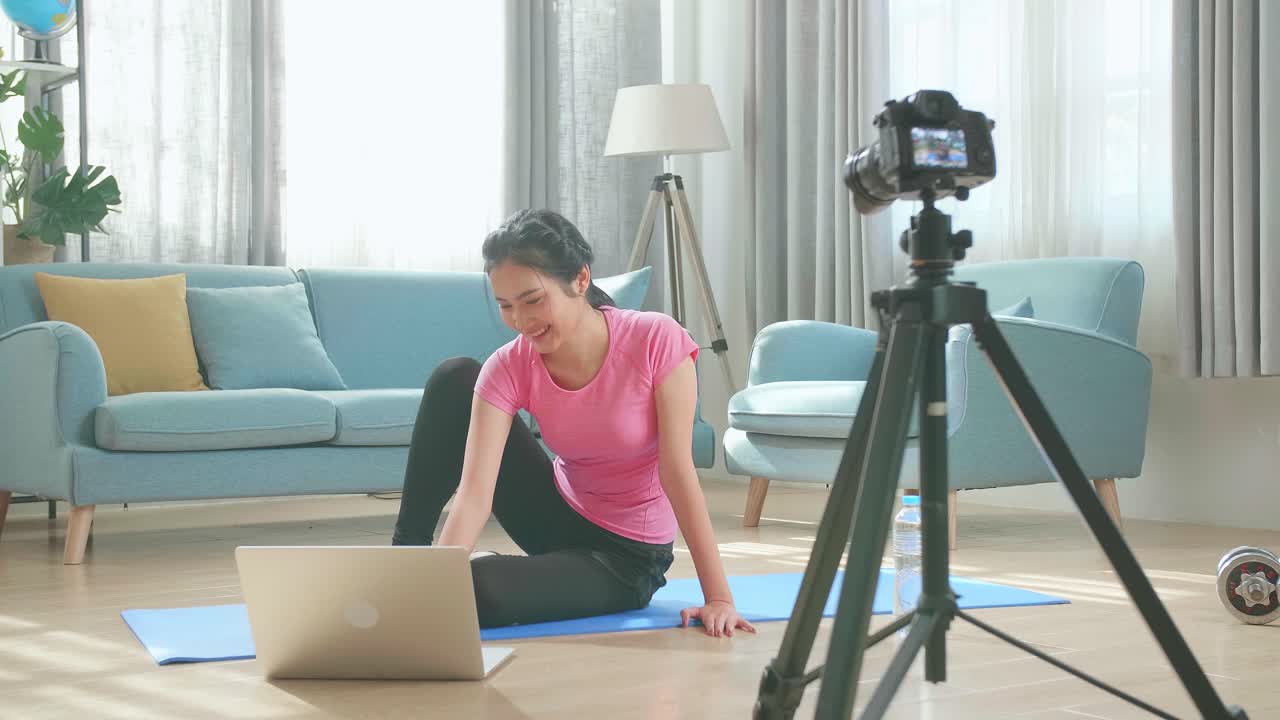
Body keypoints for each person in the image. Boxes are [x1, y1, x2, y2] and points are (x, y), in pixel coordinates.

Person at [392, 208, 755, 638]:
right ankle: (404, 566)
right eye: (506, 306)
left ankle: (494, 577)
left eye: (533, 300)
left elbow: (676, 472)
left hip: (625, 556)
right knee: (456, 377)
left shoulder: (655, 340)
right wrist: (427, 583)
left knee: (478, 589)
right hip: (558, 515)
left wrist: (719, 598)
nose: (522, 322)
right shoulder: (509, 366)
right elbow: (475, 495)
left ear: (580, 280)